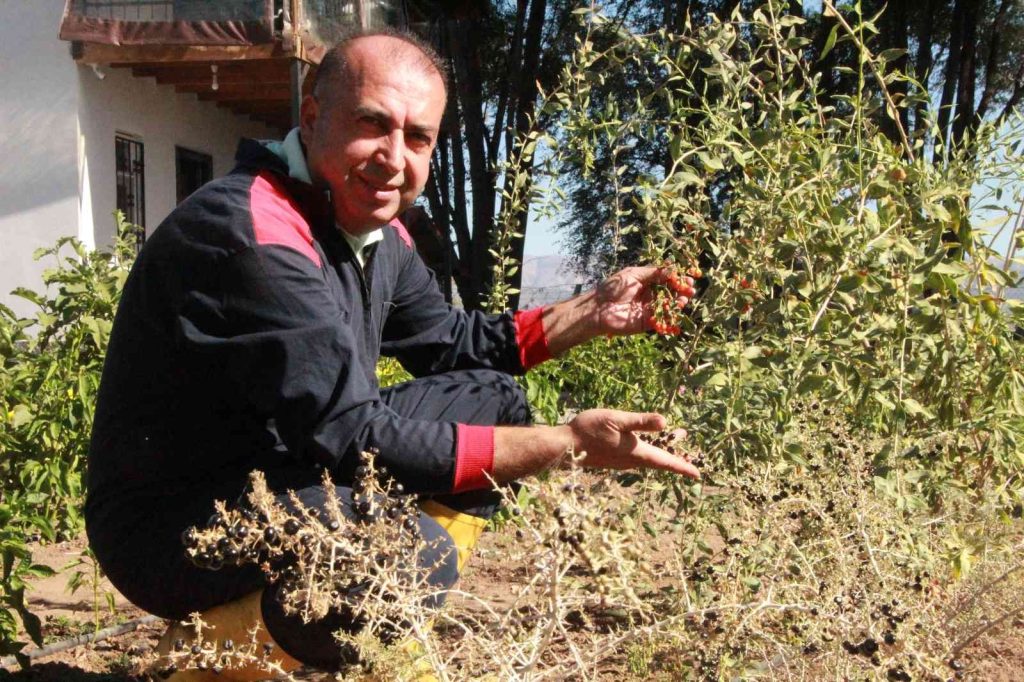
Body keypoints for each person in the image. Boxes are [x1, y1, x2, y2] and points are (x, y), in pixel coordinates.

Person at [86, 27, 698, 681]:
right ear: (314, 118)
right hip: (172, 524)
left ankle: (371, 632)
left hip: (287, 467)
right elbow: (354, 437)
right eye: (372, 125)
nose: (393, 158)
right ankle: (218, 653)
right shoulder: (257, 234)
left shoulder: (378, 232)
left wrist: (590, 312)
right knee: (402, 554)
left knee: (495, 401)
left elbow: (451, 344)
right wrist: (565, 444)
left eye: (417, 138)